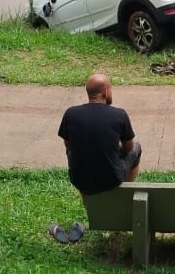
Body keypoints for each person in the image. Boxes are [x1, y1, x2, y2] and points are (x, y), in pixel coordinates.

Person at [58, 72, 141, 201]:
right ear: (106, 92)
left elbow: (69, 146)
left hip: (79, 178)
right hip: (111, 179)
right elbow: (128, 148)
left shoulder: (71, 113)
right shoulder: (119, 114)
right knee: (137, 149)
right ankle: (124, 196)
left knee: (73, 154)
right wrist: (114, 146)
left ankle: (89, 203)